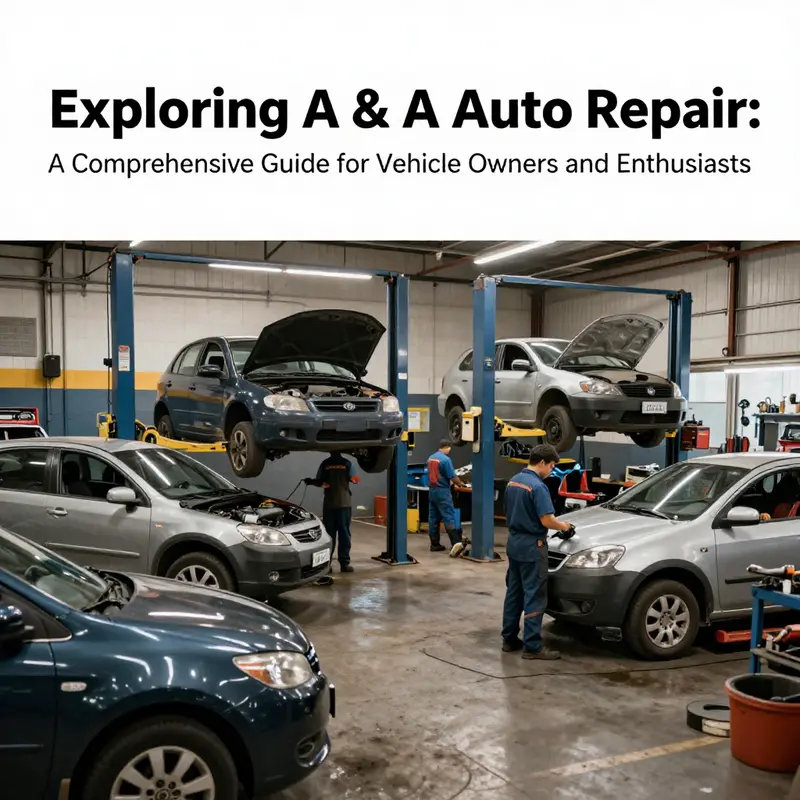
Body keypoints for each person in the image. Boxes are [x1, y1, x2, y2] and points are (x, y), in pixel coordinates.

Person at [501, 444, 576, 660]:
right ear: (542, 463)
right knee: (534, 594)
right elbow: (547, 519)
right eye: (551, 467)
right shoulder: (538, 487)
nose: (551, 471)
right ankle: (533, 646)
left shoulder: (513, 481)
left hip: (514, 543)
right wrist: (566, 527)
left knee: (514, 593)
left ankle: (509, 639)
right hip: (533, 546)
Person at [305, 452, 360, 573]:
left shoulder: (325, 464)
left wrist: (309, 481)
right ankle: (344, 564)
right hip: (344, 504)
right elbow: (355, 480)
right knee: (344, 534)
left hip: (329, 504)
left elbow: (322, 483)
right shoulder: (347, 463)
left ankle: (327, 565)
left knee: (329, 535)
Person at [427, 439, 466, 553]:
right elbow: (452, 476)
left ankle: (434, 544)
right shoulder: (445, 459)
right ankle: (456, 544)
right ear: (448, 447)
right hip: (443, 492)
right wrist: (461, 484)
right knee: (449, 516)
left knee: (433, 518)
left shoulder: (430, 458)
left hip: (432, 491)